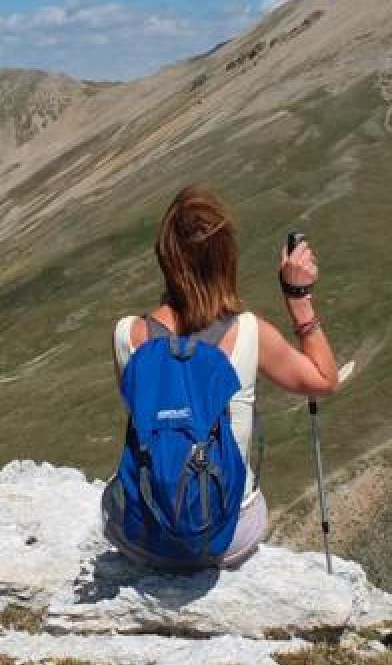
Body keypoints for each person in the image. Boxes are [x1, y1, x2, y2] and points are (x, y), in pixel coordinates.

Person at [103, 184, 339, 570]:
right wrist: (299, 298)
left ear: (165, 256)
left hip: (147, 539)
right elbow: (325, 381)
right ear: (226, 257)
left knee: (115, 496)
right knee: (247, 499)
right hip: (227, 536)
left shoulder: (127, 335)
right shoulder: (249, 331)